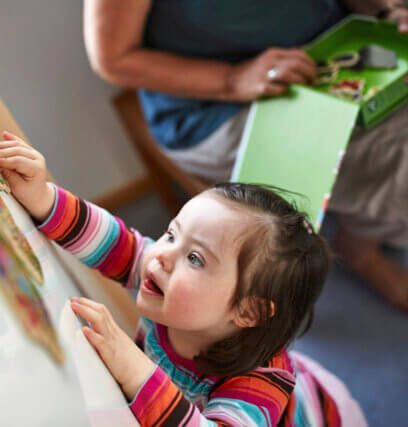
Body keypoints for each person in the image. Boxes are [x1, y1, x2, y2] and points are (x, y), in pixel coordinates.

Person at [0, 132, 366, 426]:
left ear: (248, 310)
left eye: (196, 258)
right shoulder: (164, 278)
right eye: (172, 233)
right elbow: (114, 241)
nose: (163, 254)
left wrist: (135, 369)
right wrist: (42, 197)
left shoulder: (262, 383)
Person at [83, 0, 408, 311]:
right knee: (392, 164)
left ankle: (362, 240)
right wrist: (232, 79)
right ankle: (363, 250)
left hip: (333, 42)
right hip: (215, 103)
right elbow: (112, 58)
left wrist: (386, 10)